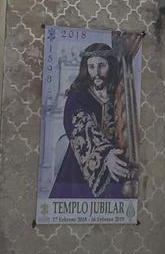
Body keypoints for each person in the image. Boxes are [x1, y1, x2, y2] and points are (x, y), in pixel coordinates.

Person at [50, 42, 140, 199]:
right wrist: (105, 155)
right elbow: (80, 125)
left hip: (117, 164)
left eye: (101, 66)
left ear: (110, 66)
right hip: (79, 166)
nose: (96, 73)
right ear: (86, 69)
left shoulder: (117, 95)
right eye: (91, 67)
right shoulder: (77, 96)